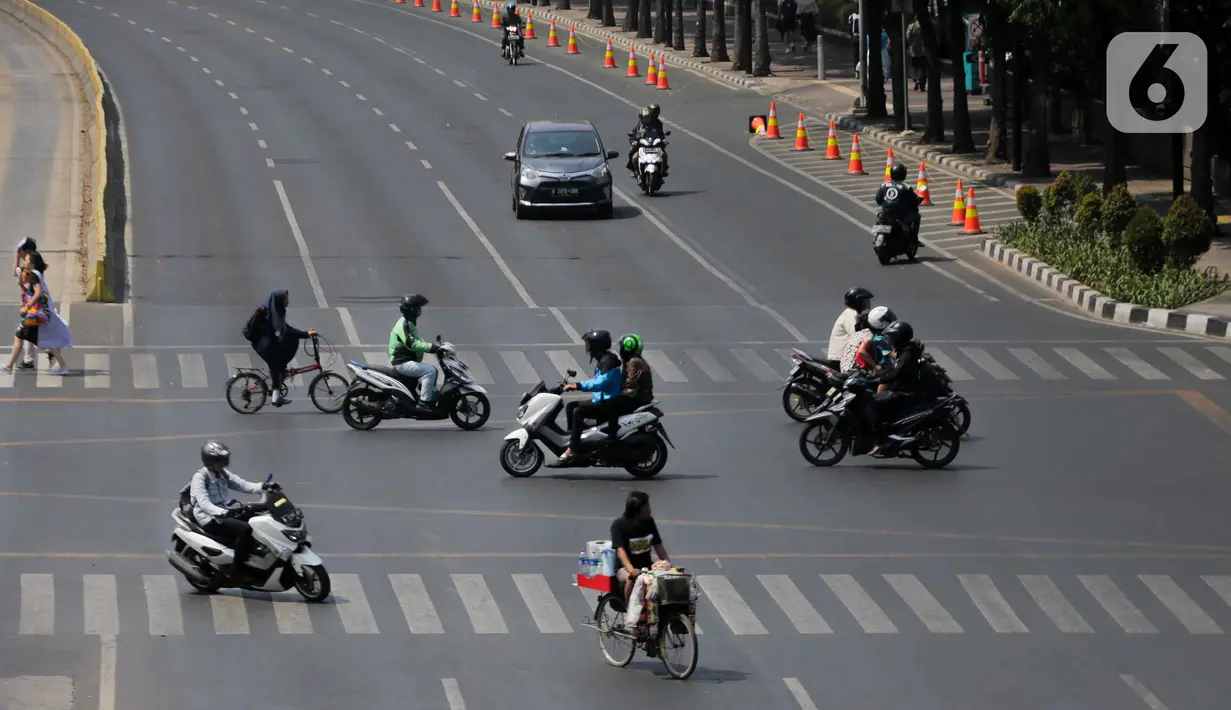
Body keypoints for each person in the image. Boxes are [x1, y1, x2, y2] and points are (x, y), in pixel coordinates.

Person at [188, 441, 275, 579]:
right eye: (218, 460)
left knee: (256, 518)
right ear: (209, 461)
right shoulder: (200, 477)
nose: (222, 463)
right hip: (209, 518)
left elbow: (242, 484)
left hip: (224, 513)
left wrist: (263, 486)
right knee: (246, 529)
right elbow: (204, 504)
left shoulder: (222, 473)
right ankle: (237, 570)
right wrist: (223, 512)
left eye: (223, 460)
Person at [552, 329, 622, 465]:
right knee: (571, 406)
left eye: (590, 344)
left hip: (608, 403)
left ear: (597, 346)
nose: (588, 348)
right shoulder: (604, 359)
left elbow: (600, 384)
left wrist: (577, 385)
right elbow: (596, 382)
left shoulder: (608, 362)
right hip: (601, 400)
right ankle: (574, 439)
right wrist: (575, 384)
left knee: (578, 411)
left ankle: (573, 449)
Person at [250, 289, 317, 407]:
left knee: (284, 351)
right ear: (280, 300)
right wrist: (305, 334)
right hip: (263, 344)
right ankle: (275, 397)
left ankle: (281, 373)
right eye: (286, 299)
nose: (288, 300)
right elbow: (286, 331)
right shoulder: (272, 313)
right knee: (275, 363)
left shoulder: (277, 310)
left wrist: (304, 334)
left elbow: (285, 328)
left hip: (267, 341)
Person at [864, 321, 923, 452]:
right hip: (902, 388)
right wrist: (871, 376)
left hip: (905, 392)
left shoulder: (907, 353)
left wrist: (878, 379)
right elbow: (891, 369)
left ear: (900, 337)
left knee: (872, 403)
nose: (890, 339)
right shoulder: (905, 350)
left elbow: (896, 373)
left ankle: (882, 440)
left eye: (893, 336)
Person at [610, 490, 670, 605]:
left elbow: (658, 545)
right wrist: (631, 570)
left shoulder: (649, 522)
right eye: (647, 507)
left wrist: (667, 563)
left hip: (646, 566)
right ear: (637, 510)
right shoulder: (619, 525)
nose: (650, 510)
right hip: (625, 568)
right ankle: (630, 615)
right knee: (631, 579)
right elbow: (620, 551)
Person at [389, 293, 441, 409]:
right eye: (418, 308)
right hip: (402, 363)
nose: (419, 310)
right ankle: (424, 403)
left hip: (407, 361)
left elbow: (418, 340)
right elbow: (412, 344)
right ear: (411, 310)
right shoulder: (403, 325)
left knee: (429, 371)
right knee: (430, 371)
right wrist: (431, 348)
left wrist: (435, 346)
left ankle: (421, 397)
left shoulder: (410, 323)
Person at [599, 333, 655, 438]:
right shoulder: (631, 360)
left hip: (638, 397)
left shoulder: (634, 362)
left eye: (622, 347)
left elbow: (630, 384)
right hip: (638, 395)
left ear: (627, 349)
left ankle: (612, 434)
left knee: (611, 403)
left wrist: (616, 392)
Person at [875, 163, 921, 245]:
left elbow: (878, 200)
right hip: (900, 216)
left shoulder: (884, 185)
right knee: (917, 216)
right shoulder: (906, 188)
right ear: (903, 175)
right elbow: (914, 201)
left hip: (885, 214)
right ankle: (913, 240)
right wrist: (919, 200)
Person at [11, 237, 38, 369]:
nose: (19, 253)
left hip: (31, 304)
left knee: (25, 331)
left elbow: (30, 289)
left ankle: (53, 352)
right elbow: (14, 272)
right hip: (28, 303)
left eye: (20, 251)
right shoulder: (29, 264)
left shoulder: (32, 267)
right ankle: (28, 359)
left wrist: (27, 306)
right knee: (30, 331)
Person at [827, 287, 873, 361]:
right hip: (839, 359)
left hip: (843, 358)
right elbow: (857, 335)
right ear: (857, 302)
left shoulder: (853, 313)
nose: (868, 302)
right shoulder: (850, 314)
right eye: (865, 300)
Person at [626, 105, 668, 178]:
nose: (645, 119)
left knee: (664, 154)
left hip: (654, 144)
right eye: (644, 117)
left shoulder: (657, 123)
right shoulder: (639, 125)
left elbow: (661, 133)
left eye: (646, 117)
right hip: (641, 145)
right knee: (633, 154)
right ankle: (633, 170)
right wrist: (634, 141)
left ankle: (663, 169)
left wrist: (663, 140)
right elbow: (633, 134)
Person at [839, 309, 873, 373]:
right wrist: (875, 366)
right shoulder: (869, 335)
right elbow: (861, 352)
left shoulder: (856, 334)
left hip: (844, 370)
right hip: (853, 373)